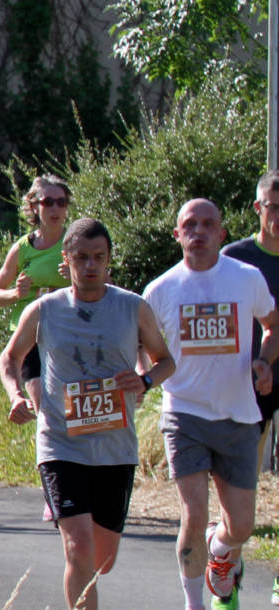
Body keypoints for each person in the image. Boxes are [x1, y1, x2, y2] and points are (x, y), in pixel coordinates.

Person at [0, 218, 175, 610]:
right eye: (81, 258)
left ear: (109, 260)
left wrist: (145, 381)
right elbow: (10, 357)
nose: (90, 266)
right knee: (79, 550)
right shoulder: (44, 309)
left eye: (98, 257)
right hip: (61, 444)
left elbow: (166, 361)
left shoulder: (133, 307)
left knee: (101, 561)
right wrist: (15, 395)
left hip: (115, 448)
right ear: (67, 259)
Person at [141, 199, 279, 610]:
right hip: (184, 415)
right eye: (190, 224)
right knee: (193, 512)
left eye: (207, 225)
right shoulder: (160, 290)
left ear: (221, 234)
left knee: (241, 526)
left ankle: (218, 551)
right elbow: (145, 348)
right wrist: (143, 378)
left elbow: (272, 324)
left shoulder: (246, 278)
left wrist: (264, 361)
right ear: (177, 234)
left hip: (239, 414)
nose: (198, 231)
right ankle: (194, 603)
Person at [218, 171, 279, 605]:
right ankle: (228, 576)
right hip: (248, 385)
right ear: (258, 208)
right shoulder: (235, 259)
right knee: (241, 490)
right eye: (273, 207)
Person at [0, 175, 74, 407]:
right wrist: (16, 294)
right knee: (42, 406)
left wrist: (76, 278)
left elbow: (107, 284)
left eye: (61, 202)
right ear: (35, 207)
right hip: (30, 334)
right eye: (48, 202)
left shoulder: (76, 242)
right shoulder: (23, 247)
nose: (55, 208)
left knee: (70, 405)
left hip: (68, 331)